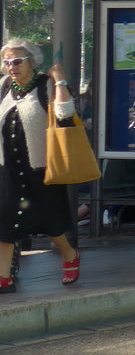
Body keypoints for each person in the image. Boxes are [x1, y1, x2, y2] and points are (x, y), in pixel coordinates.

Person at [0, 38, 81, 293]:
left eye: (17, 61)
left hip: (40, 167)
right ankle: (4, 277)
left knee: (50, 224)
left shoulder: (45, 85)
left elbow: (66, 113)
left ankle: (69, 254)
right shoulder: (3, 86)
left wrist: (60, 80)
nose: (11, 66)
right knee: (5, 223)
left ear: (31, 61)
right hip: (7, 168)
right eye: (7, 62)